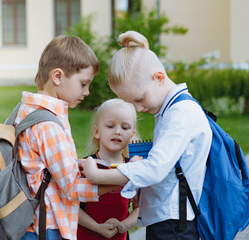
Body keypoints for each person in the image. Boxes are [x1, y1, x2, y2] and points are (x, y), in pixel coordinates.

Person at [81, 30, 213, 240]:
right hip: (167, 221)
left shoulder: (180, 113)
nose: (139, 109)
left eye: (140, 99)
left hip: (174, 225)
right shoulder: (169, 111)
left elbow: (156, 168)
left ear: (159, 78)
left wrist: (98, 175)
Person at [15, 35, 117, 240]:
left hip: (29, 223)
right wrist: (124, 179)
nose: (87, 92)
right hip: (47, 227)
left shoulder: (26, 108)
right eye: (83, 84)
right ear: (58, 77)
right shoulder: (49, 125)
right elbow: (72, 187)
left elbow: (42, 165)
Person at [77, 99, 140, 240]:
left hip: (120, 236)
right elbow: (72, 206)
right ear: (97, 132)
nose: (117, 132)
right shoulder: (86, 165)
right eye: (110, 126)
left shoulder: (132, 168)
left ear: (131, 135)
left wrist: (123, 225)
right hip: (86, 235)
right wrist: (97, 227)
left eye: (124, 128)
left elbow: (139, 208)